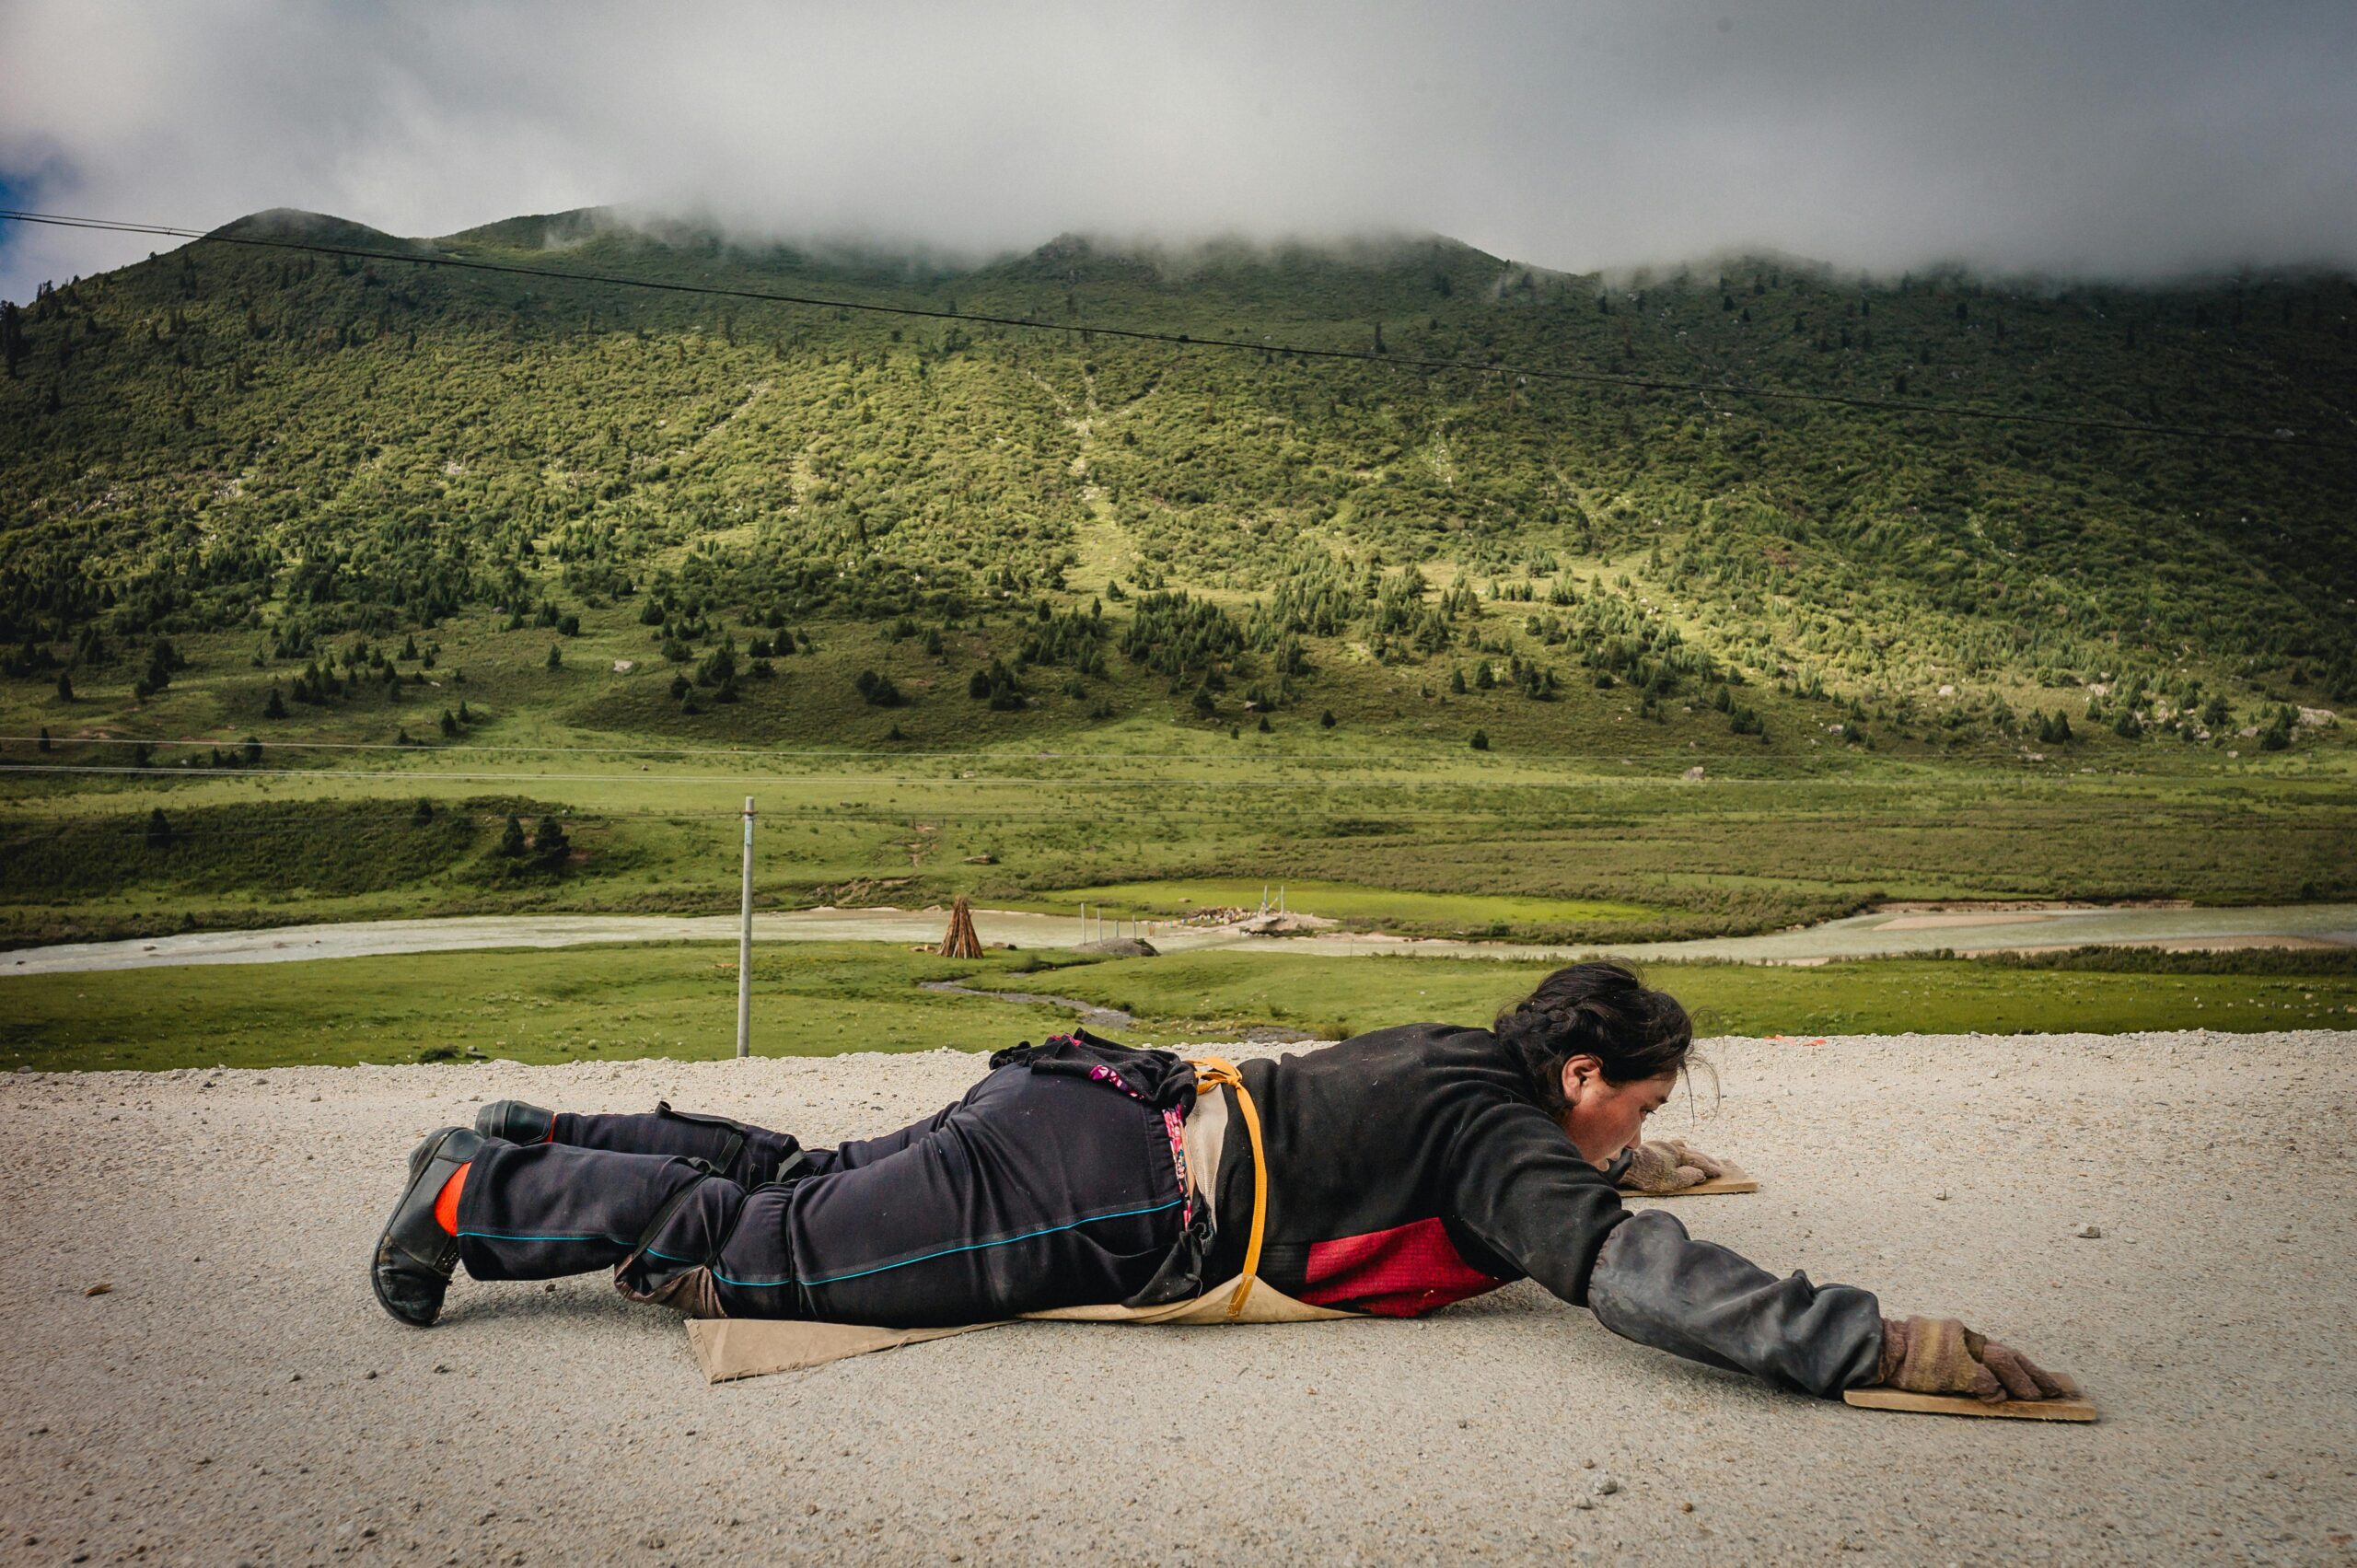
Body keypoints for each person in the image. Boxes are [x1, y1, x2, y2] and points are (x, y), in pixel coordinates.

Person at [371, 960, 2070, 1403]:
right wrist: (1871, 1344)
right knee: (772, 1252)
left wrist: (1634, 1160)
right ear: (1577, 1082)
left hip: (1094, 1093)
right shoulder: (1509, 1150)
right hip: (1116, 1185)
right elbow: (1622, 1272)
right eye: (1630, 1114)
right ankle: (475, 1203)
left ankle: (526, 1137)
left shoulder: (1456, 1054)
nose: (1629, 1144)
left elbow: (1402, 1127)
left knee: (805, 1180)